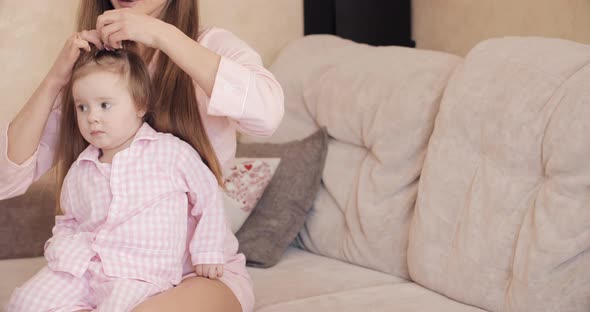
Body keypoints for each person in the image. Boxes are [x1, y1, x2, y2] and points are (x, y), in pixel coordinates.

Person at [0, 0, 284, 311]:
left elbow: (267, 115)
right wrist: (55, 79)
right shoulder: (94, 69)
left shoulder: (211, 46)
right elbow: (6, 179)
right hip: (103, 274)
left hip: (201, 273)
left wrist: (163, 35)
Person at [8, 47, 231, 312]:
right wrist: (62, 250)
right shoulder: (81, 168)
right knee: (25, 302)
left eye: (105, 105)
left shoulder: (171, 153)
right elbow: (68, 221)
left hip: (138, 272)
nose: (93, 116)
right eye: (82, 107)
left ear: (140, 105)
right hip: (83, 267)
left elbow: (208, 198)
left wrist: (208, 252)